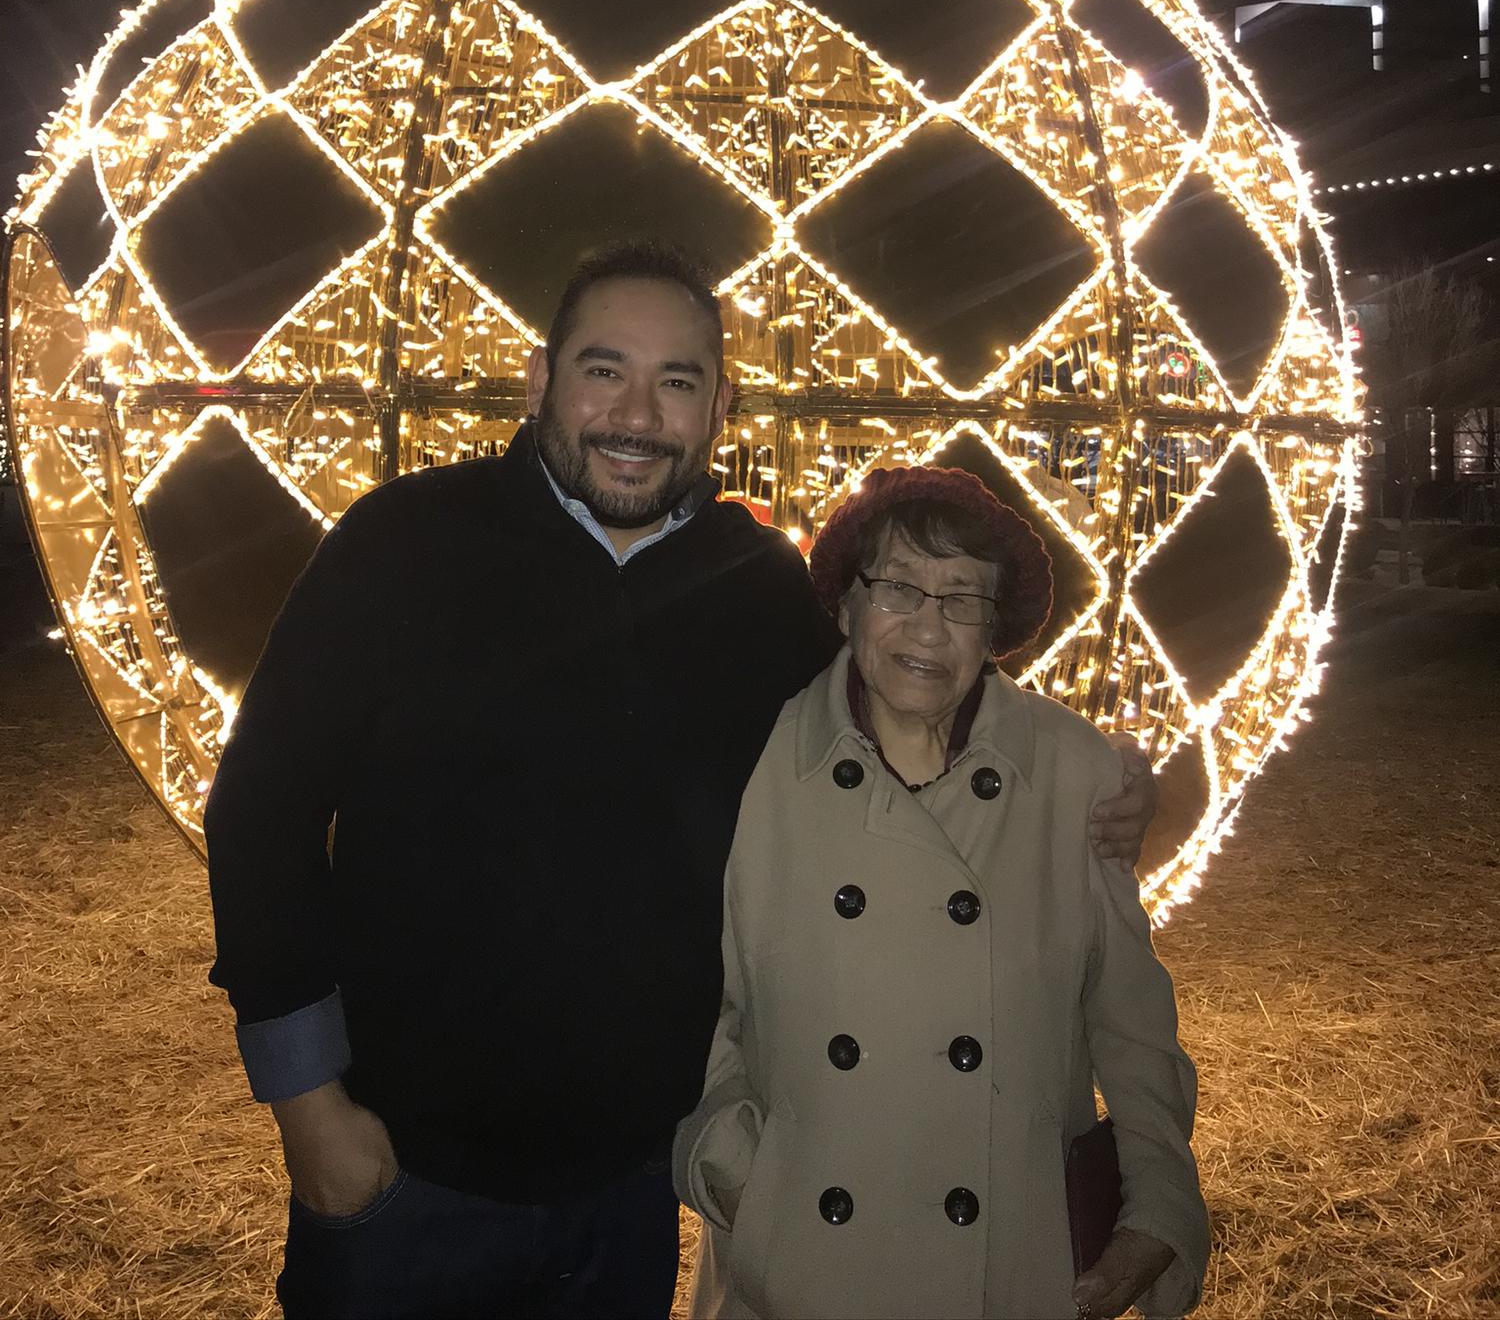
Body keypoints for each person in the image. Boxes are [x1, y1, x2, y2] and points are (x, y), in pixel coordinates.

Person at [204, 239, 1158, 1320]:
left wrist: (1108, 781)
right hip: (402, 1179)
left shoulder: (758, 589)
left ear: (720, 406)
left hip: (630, 1188)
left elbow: (911, 700)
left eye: (678, 380)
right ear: (541, 378)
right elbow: (260, 813)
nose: (636, 413)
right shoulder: (402, 542)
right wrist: (311, 1109)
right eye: (604, 368)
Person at [674, 465, 1209, 1320]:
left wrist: (1159, 1210)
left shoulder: (1077, 776)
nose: (930, 625)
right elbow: (698, 1006)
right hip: (799, 1267)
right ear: (846, 606)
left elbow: (1133, 1024)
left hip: (1010, 1263)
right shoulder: (752, 762)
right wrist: (738, 1170)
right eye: (899, 588)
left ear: (994, 630)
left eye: (964, 599)